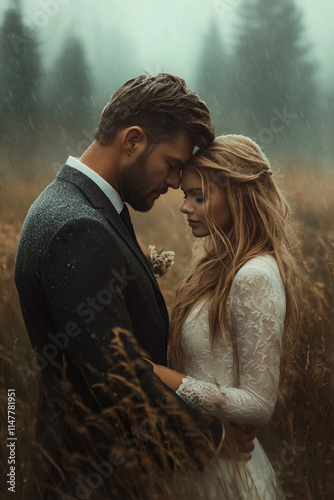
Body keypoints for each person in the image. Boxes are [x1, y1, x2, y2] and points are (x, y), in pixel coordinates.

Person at [14, 75, 254, 499]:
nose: (178, 182)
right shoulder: (79, 226)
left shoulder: (67, 205)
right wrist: (212, 438)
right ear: (133, 141)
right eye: (173, 163)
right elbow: (117, 381)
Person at [147, 134, 301, 499]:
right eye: (186, 195)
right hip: (200, 455)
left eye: (198, 196)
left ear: (238, 197)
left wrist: (156, 374)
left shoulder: (255, 275)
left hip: (228, 474)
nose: (185, 207)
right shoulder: (217, 265)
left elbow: (259, 404)